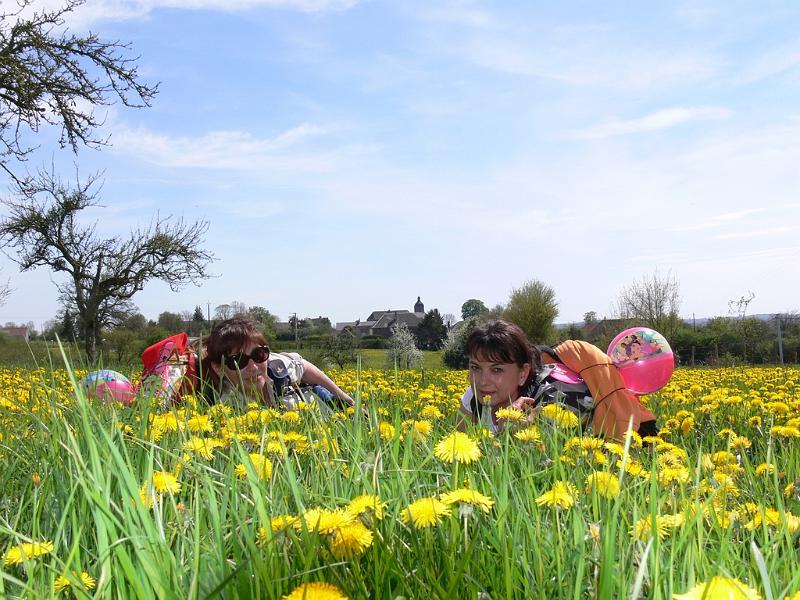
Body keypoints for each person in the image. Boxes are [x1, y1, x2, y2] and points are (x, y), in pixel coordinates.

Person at [458, 319, 658, 439]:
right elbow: (459, 450)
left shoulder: (551, 407)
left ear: (522, 373)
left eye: (497, 370)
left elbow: (542, 474)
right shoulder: (473, 398)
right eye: (475, 368)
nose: (482, 381)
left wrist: (510, 435)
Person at [198, 317, 355, 411]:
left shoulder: (275, 364)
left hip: (320, 399)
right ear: (219, 368)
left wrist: (344, 398)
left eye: (259, 354)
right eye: (239, 361)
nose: (253, 367)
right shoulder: (226, 407)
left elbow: (304, 367)